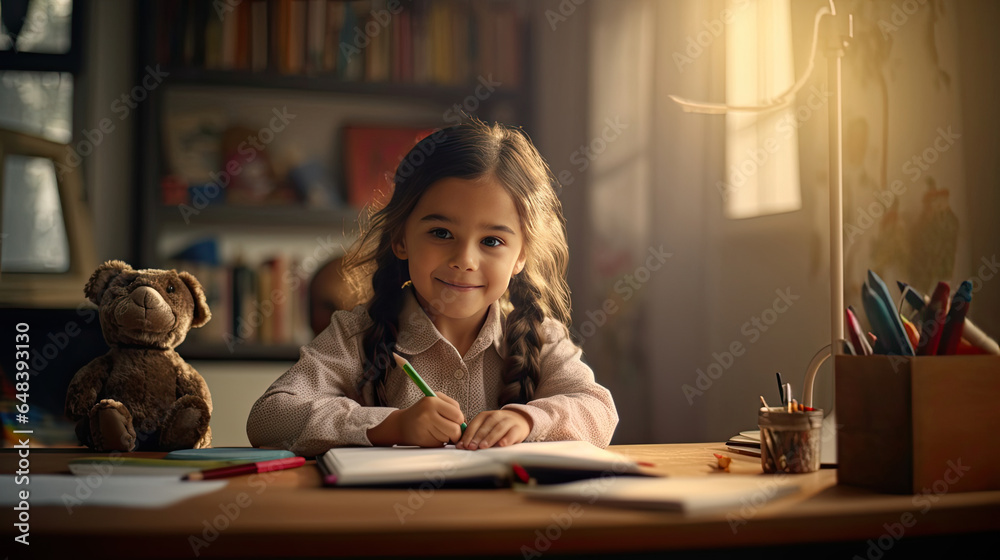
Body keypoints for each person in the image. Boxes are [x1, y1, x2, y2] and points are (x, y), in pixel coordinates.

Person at [246, 120, 618, 456]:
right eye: (441, 233)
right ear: (401, 239)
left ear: (521, 256)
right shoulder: (354, 335)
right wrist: (389, 426)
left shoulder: (542, 337)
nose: (465, 260)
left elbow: (599, 412)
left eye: (491, 241)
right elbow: (269, 417)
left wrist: (528, 421)